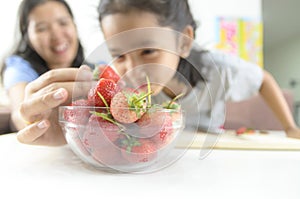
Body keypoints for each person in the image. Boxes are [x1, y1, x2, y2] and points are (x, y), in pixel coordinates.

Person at [13, 0, 300, 146]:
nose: (133, 69)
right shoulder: (111, 80)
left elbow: (264, 79)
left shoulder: (219, 70)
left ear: (184, 41)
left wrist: (289, 127)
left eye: (148, 51)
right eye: (119, 55)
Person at [0, 0, 85, 144]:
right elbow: (20, 110)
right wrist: (33, 122)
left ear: (75, 26)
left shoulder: (94, 67)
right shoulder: (18, 67)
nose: (56, 35)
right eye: (42, 28)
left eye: (63, 23)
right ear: (28, 36)